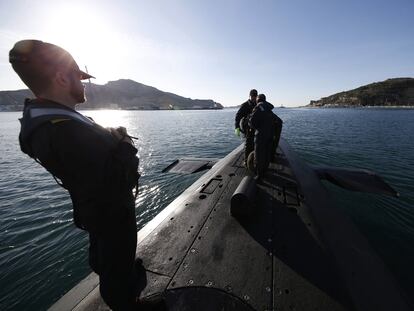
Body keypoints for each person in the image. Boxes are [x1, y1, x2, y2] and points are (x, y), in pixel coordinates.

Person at [9, 40, 161, 310]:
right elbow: (115, 180)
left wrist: (108, 139)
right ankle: (127, 302)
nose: (84, 84)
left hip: (95, 210)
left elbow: (90, 163)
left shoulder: (56, 119)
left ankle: (119, 279)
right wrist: (125, 146)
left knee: (109, 257)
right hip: (111, 212)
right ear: (60, 78)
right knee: (116, 265)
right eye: (79, 77)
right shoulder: (61, 129)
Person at [249, 93, 275, 181]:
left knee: (259, 155)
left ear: (258, 99)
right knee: (267, 153)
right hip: (270, 134)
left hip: (261, 136)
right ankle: (265, 170)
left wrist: (255, 127)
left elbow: (252, 122)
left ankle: (259, 174)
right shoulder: (269, 108)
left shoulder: (258, 107)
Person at [234, 89, 258, 166]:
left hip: (255, 127)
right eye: (252, 95)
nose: (254, 97)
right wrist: (236, 128)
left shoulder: (258, 104)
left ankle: (254, 158)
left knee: (255, 144)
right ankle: (246, 161)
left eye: (255, 95)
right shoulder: (245, 105)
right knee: (248, 144)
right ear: (250, 96)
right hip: (247, 127)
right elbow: (238, 116)